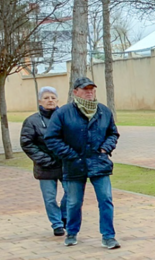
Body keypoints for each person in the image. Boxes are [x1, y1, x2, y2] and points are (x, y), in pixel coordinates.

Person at [45, 76, 121, 249]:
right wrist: (70, 154)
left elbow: (113, 133)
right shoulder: (63, 113)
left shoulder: (103, 111)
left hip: (99, 163)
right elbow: (51, 137)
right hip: (74, 165)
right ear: (76, 92)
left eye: (92, 89)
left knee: (106, 200)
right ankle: (71, 232)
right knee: (73, 202)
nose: (89, 92)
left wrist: (104, 149)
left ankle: (108, 236)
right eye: (85, 89)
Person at [20, 86, 66, 236]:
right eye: (46, 98)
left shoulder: (65, 117)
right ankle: (57, 224)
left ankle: (64, 216)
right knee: (50, 198)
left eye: (53, 97)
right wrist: (44, 159)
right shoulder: (32, 121)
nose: (50, 100)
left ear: (58, 100)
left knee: (72, 193)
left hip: (65, 164)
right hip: (45, 166)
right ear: (40, 101)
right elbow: (27, 143)